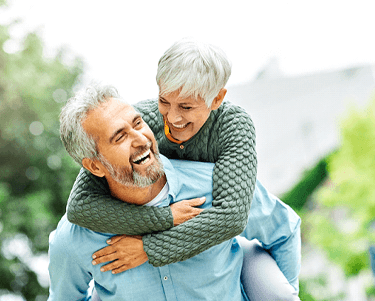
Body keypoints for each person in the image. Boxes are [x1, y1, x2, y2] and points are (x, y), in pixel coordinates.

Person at [49, 85, 301, 300]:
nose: (141, 139)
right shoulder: (75, 240)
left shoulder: (216, 187)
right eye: (119, 137)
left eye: (138, 123)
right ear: (95, 165)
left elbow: (284, 230)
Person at [66, 38, 258, 270]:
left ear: (216, 98)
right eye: (164, 101)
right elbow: (80, 206)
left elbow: (231, 217)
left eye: (186, 107)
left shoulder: (233, 125)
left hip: (252, 237)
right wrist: (165, 218)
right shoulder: (140, 121)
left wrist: (148, 248)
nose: (173, 118)